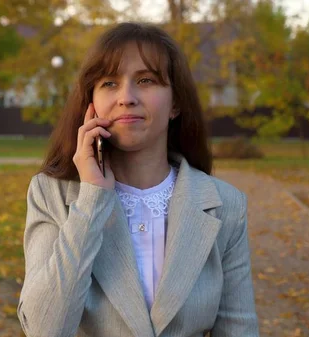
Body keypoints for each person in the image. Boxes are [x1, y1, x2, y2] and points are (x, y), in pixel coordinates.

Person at [17, 22, 259, 337]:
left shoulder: (225, 205)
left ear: (175, 103)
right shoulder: (50, 194)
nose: (126, 97)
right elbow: (44, 329)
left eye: (145, 80)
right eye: (109, 83)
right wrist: (91, 201)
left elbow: (239, 329)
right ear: (90, 104)